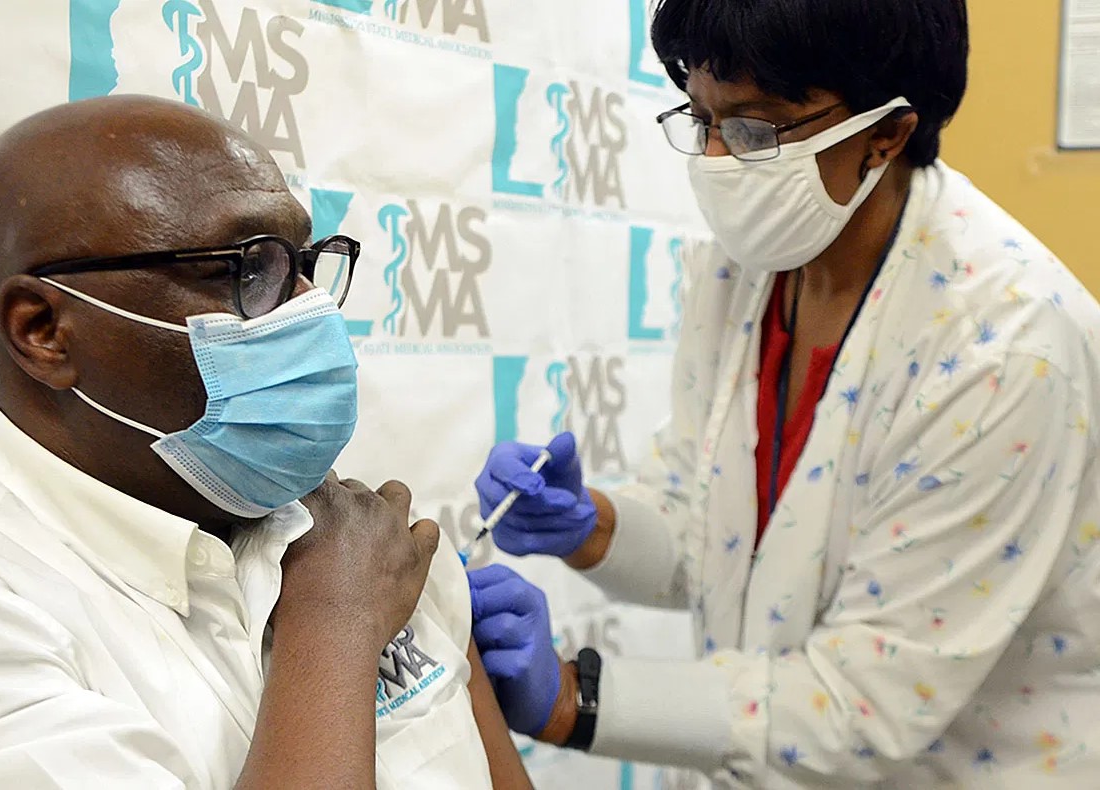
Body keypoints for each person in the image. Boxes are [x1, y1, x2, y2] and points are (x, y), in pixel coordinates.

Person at [468, 0, 1100, 786]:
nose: (715, 159)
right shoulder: (746, 268)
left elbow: (864, 700)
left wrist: (574, 701)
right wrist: (591, 525)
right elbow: (710, 536)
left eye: (753, 129)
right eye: (700, 119)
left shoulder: (1004, 349)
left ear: (886, 134)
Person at [0, 95, 530, 789]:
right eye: (246, 269)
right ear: (43, 330)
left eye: (300, 262)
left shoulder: (354, 534)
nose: (308, 307)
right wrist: (334, 627)